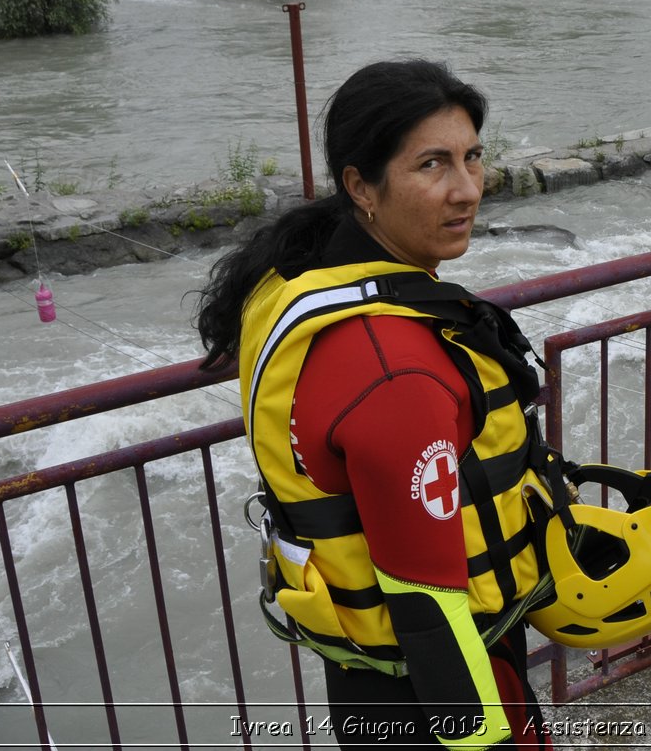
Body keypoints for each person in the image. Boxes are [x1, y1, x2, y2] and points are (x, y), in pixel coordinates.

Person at [196, 60, 553, 749]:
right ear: (361, 186)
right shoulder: (395, 371)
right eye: (432, 165)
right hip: (431, 693)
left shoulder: (307, 278)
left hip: (366, 677)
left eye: (473, 157)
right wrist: (484, 738)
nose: (467, 189)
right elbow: (428, 606)